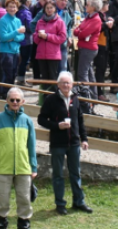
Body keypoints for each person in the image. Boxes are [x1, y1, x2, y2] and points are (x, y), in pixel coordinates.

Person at [0, 87, 37, 229]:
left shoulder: (27, 121)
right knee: (1, 198)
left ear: (23, 102)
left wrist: (33, 167)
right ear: (7, 101)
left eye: (18, 100)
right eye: (12, 100)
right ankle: (2, 227)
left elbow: (32, 146)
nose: (15, 102)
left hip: (23, 167)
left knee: (24, 199)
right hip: (3, 167)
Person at [38, 71, 93, 216]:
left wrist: (84, 139)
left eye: (68, 83)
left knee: (76, 174)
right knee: (58, 175)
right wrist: (57, 126)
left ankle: (78, 201)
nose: (66, 85)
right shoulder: (51, 99)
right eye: (63, 83)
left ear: (72, 84)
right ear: (58, 85)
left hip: (74, 143)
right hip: (57, 144)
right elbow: (41, 119)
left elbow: (80, 120)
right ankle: (60, 203)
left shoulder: (75, 99)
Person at [33, 1, 67, 91]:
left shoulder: (60, 22)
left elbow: (62, 38)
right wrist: (39, 36)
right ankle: (44, 98)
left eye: (51, 8)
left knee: (52, 78)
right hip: (41, 54)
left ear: (55, 9)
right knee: (44, 78)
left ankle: (53, 98)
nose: (49, 10)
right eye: (47, 8)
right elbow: (35, 39)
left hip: (53, 55)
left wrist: (47, 36)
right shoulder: (40, 22)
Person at [73, 0, 102, 97]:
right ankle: (93, 96)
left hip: (88, 49)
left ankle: (86, 96)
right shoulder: (88, 17)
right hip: (83, 47)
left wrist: (79, 32)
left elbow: (82, 33)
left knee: (82, 73)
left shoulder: (96, 20)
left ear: (93, 7)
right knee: (89, 73)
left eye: (87, 5)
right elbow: (78, 29)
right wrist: (79, 31)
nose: (85, 6)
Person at [0, 0, 26, 98]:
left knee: (14, 73)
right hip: (6, 51)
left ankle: (9, 93)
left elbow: (22, 37)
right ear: (6, 8)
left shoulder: (18, 20)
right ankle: (2, 93)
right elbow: (3, 37)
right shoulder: (3, 20)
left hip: (16, 50)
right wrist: (16, 32)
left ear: (17, 8)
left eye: (14, 7)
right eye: (10, 6)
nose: (12, 8)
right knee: (7, 73)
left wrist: (13, 37)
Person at [15, 0, 34, 87]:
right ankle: (21, 79)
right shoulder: (27, 13)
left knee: (19, 60)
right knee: (24, 60)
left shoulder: (17, 11)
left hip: (18, 39)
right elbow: (30, 27)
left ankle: (18, 77)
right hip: (26, 40)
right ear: (27, 2)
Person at [95, 0, 110, 101]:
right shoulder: (98, 16)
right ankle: (98, 92)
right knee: (100, 69)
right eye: (107, 4)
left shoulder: (104, 15)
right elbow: (98, 28)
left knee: (102, 69)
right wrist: (106, 25)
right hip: (99, 45)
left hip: (105, 45)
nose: (108, 6)